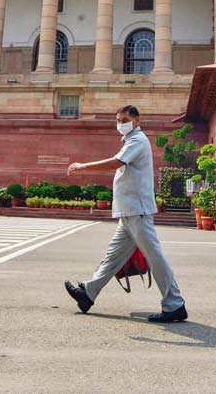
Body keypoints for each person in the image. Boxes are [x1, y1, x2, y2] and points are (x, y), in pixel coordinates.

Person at [64, 105, 187, 322]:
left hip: (137, 209)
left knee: (155, 257)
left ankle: (174, 304)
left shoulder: (137, 141)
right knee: (113, 256)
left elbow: (116, 163)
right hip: (129, 210)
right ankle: (88, 294)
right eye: (118, 120)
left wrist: (83, 166)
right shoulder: (130, 140)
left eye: (125, 120)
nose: (121, 124)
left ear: (137, 120)